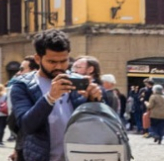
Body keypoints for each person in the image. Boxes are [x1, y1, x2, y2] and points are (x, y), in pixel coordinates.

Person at [12, 29, 100, 161]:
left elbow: (95, 124)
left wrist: (95, 100)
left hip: (77, 156)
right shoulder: (22, 85)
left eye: (64, 61)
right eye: (52, 62)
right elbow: (26, 126)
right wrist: (50, 97)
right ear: (38, 59)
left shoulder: (78, 81)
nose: (59, 66)